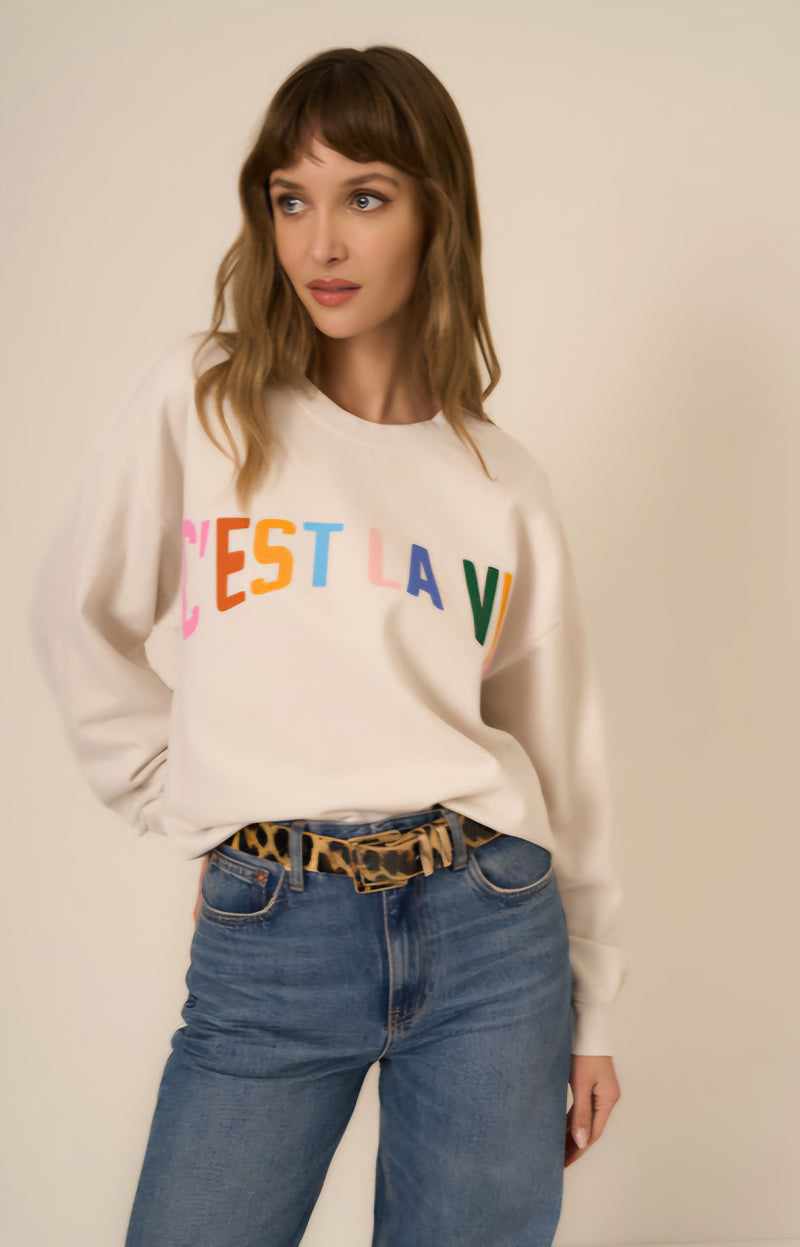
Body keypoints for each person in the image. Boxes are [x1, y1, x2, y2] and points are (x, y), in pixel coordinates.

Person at [29, 44, 626, 1247]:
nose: (321, 243)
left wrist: (595, 1006)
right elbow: (73, 617)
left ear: (433, 212)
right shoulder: (208, 403)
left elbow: (562, 755)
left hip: (491, 926)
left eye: (363, 195)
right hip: (275, 928)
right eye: (289, 200)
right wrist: (186, 796)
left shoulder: (500, 482)